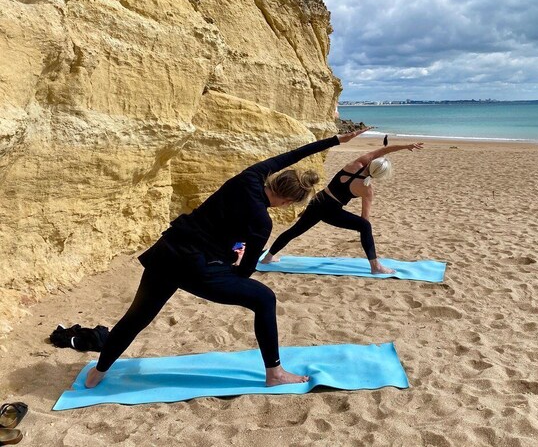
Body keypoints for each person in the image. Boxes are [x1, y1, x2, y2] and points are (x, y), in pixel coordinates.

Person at [85, 128, 370, 389]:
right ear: (286, 201)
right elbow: (245, 272)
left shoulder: (249, 177)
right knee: (264, 299)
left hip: (166, 252)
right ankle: (275, 373)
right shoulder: (262, 222)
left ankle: (98, 371)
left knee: (137, 316)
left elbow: (290, 155)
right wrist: (227, 263)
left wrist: (336, 140)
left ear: (276, 178)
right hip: (197, 268)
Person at [261, 141, 423, 274]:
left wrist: (405, 146)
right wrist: (362, 230)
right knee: (365, 226)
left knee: (295, 230)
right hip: (331, 211)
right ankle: (375, 266)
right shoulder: (367, 190)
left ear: (372, 162)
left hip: (318, 201)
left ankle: (268, 257)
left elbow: (383, 150)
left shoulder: (356, 163)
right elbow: (364, 218)